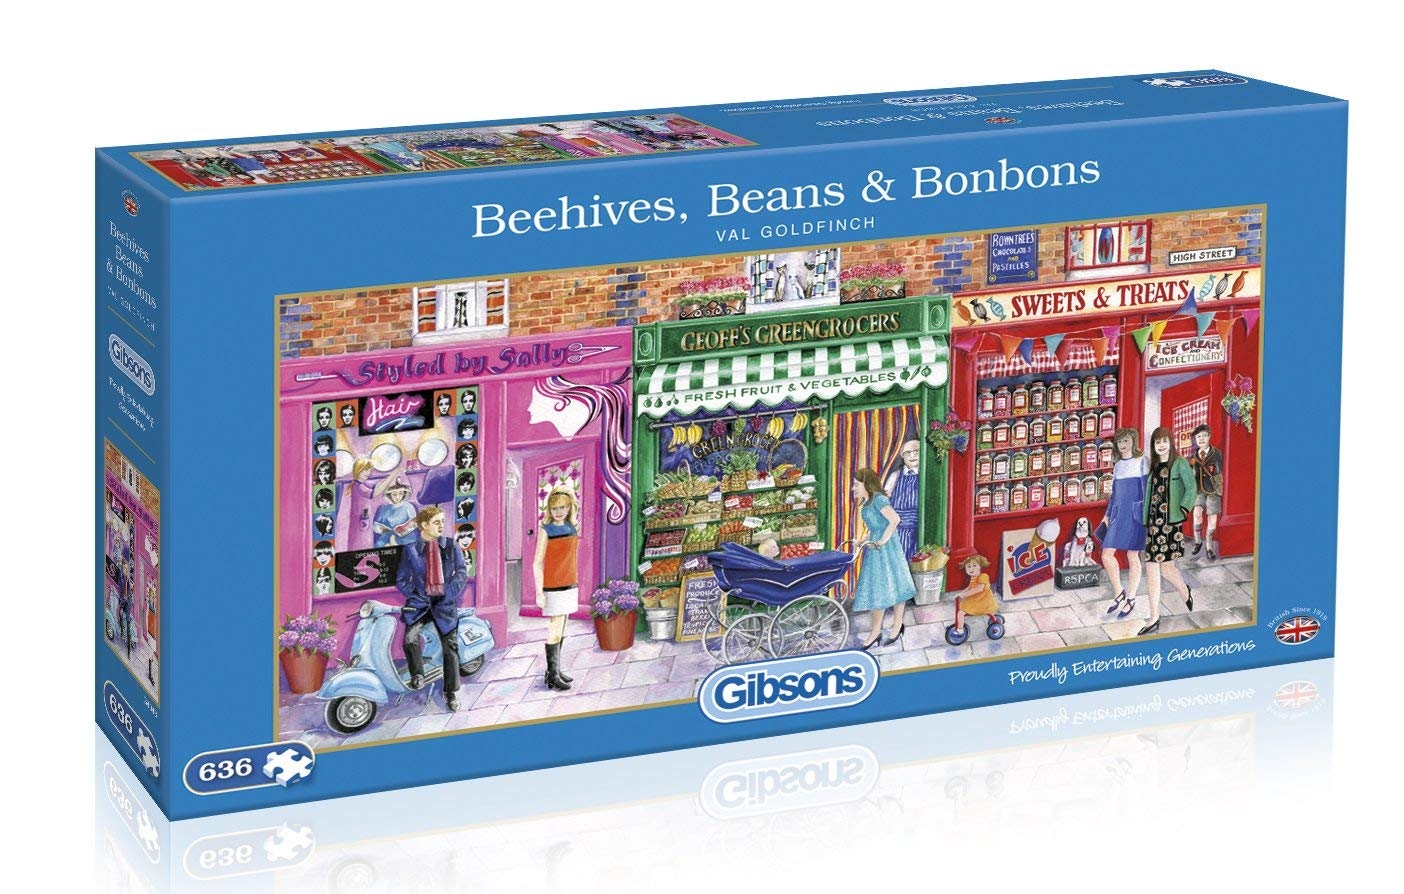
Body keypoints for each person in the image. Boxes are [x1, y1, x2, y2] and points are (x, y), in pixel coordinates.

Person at [396, 507, 469, 710]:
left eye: (442, 521)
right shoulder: (411, 549)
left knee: (450, 648)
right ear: (424, 525)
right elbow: (402, 579)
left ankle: (451, 693)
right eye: (436, 522)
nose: (442, 526)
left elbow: (461, 572)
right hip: (419, 604)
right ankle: (418, 674)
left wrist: (448, 592)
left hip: (444, 604)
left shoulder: (450, 545)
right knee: (410, 639)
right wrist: (416, 594)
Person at [848, 468, 916, 650]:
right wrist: (861, 541)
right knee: (878, 589)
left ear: (866, 484)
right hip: (875, 549)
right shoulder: (867, 502)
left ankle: (896, 625)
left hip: (887, 548)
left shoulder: (878, 499)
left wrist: (883, 541)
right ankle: (876, 631)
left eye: (856, 485)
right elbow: (875, 527)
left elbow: (895, 520)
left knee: (896, 585)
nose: (853, 488)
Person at [1139, 426, 1198, 636]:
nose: (1161, 445)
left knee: (1167, 569)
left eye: (1165, 441)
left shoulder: (1179, 463)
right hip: (1154, 524)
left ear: (1170, 442)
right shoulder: (1154, 465)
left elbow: (1192, 488)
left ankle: (1184, 590)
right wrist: (1146, 519)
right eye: (1157, 442)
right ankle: (1154, 616)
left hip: (1170, 523)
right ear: (1153, 446)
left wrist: (1183, 509)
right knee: (1151, 567)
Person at [533, 487, 580, 691]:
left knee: (562, 628)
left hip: (570, 583)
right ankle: (552, 676)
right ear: (549, 509)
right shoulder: (546, 530)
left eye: (563, 507)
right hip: (553, 586)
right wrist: (539, 592)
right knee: (555, 628)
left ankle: (555, 671)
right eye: (554, 508)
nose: (559, 511)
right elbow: (537, 562)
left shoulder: (572, 527)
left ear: (570, 507)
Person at [1100, 428, 1148, 619]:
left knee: (1132, 555)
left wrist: (1147, 516)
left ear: (1133, 441)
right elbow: (1114, 495)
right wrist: (1107, 515)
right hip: (1119, 514)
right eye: (1119, 442)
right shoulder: (1118, 465)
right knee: (1106, 555)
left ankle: (1131, 597)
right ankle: (1119, 592)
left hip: (1136, 514)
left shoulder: (1142, 461)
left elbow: (1147, 491)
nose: (1122, 445)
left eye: (1126, 441)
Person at [1187, 423, 1224, 559]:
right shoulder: (1193, 456)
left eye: (1204, 436)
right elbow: (1190, 473)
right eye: (1198, 437)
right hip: (1198, 490)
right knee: (1197, 513)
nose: (1201, 439)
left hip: (1213, 490)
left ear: (1209, 436)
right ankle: (1198, 542)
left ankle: (1209, 546)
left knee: (1212, 518)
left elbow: (1221, 470)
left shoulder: (1217, 453)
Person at [946, 553, 1000, 639]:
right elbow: (969, 588)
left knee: (961, 612)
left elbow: (979, 589)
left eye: (974, 565)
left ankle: (960, 630)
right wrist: (961, 594)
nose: (971, 569)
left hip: (982, 601)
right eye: (968, 566)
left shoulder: (983, 576)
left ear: (980, 566)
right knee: (961, 610)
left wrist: (964, 595)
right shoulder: (973, 578)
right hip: (976, 599)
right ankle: (959, 624)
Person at [883, 440, 922, 559]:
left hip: (918, 531)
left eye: (916, 452)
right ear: (902, 455)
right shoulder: (895, 476)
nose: (912, 456)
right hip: (896, 530)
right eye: (908, 452)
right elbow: (884, 502)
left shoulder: (924, 476)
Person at [372, 477, 419, 547]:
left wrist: (401, 531)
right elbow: (377, 526)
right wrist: (389, 533)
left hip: (406, 537)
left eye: (400, 493)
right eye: (394, 494)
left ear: (404, 493)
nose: (397, 497)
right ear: (389, 495)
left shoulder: (408, 507)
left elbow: (413, 523)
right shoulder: (384, 509)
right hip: (387, 537)